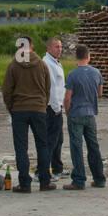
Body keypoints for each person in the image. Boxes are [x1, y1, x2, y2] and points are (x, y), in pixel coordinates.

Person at [0, 35, 52, 193]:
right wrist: (42, 105)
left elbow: (6, 90)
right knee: (42, 146)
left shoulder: (13, 66)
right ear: (32, 47)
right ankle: (45, 181)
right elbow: (47, 88)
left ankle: (24, 183)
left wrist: (12, 108)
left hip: (19, 110)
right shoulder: (42, 65)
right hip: (38, 110)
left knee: (21, 148)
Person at [62, 44, 105, 190]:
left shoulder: (73, 75)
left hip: (76, 113)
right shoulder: (96, 72)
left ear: (76, 57)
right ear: (88, 56)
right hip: (90, 113)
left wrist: (68, 112)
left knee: (77, 147)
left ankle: (79, 180)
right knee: (93, 146)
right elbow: (100, 93)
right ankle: (99, 178)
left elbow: (67, 98)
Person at [42, 36, 66, 178]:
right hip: (52, 108)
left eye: (61, 47)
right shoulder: (47, 64)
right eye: (57, 47)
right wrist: (56, 107)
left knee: (59, 139)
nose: (60, 49)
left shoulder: (56, 63)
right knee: (51, 140)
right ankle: (43, 171)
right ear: (49, 48)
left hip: (58, 106)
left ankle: (57, 167)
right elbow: (49, 88)